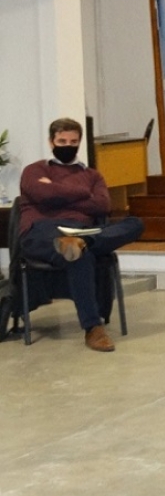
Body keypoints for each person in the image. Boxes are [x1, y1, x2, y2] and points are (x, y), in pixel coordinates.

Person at [17, 117, 145, 352]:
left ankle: (83, 241)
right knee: (78, 254)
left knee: (134, 223)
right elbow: (42, 194)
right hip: (43, 229)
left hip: (82, 231)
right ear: (51, 142)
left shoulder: (93, 176)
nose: (68, 146)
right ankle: (93, 328)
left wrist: (55, 191)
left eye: (73, 142)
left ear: (79, 142)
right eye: (62, 141)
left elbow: (103, 205)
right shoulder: (35, 170)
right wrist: (83, 193)